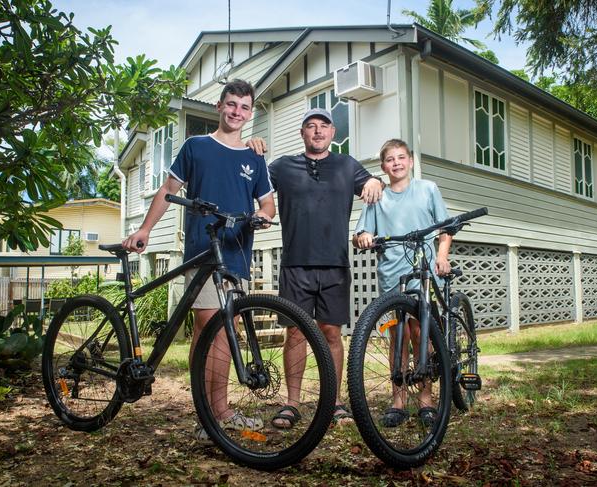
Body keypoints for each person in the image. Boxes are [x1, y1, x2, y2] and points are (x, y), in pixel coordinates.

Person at [122, 79, 275, 437]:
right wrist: (144, 230)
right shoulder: (196, 147)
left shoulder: (254, 155)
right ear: (220, 106)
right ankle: (213, 414)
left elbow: (266, 201)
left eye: (244, 107)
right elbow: (168, 190)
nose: (237, 112)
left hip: (237, 254)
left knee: (226, 329)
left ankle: (214, 413)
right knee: (213, 328)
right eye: (232, 104)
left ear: (250, 113)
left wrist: (265, 215)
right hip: (204, 252)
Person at [265, 107, 384, 428]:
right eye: (311, 126)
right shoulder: (282, 167)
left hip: (334, 264)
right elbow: (251, 179)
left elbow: (375, 187)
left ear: (333, 133)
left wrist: (375, 180)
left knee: (331, 333)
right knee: (295, 333)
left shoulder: (347, 165)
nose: (317, 131)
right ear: (302, 133)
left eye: (324, 126)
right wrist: (251, 146)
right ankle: (291, 404)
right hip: (295, 263)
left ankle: (333, 401)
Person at [352, 138, 452, 428]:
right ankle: (398, 399)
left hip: (421, 271)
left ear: (410, 161)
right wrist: (364, 237)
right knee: (398, 337)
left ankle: (426, 398)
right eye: (389, 159)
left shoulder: (427, 189)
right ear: (383, 166)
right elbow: (360, 235)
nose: (396, 163)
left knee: (420, 332)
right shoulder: (377, 196)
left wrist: (441, 257)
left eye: (401, 157)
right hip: (391, 274)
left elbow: (445, 229)